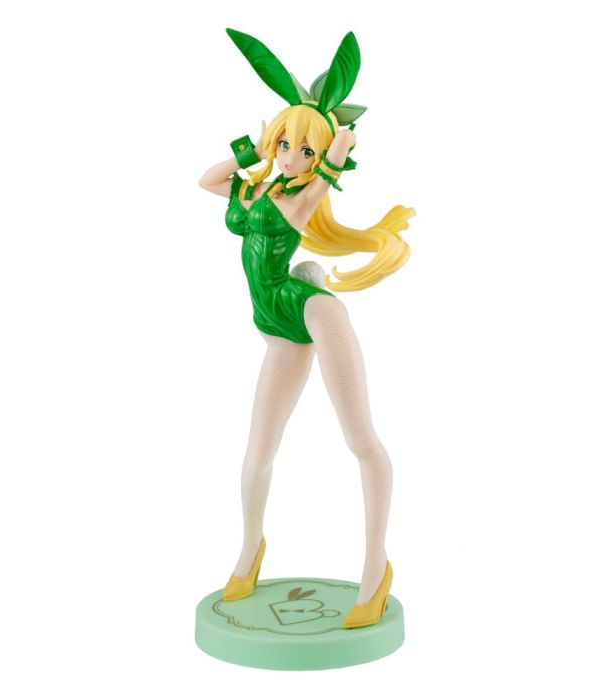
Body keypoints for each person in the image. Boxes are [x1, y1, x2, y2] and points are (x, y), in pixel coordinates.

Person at [197, 28, 415, 628]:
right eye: (286, 143)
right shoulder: (253, 188)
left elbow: (321, 177)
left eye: (305, 152)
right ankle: (250, 550)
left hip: (308, 310)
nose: (292, 158)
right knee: (258, 452)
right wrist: (254, 153)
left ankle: (376, 567)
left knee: (360, 439)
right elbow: (208, 181)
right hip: (275, 325)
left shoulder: (298, 198)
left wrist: (337, 150)